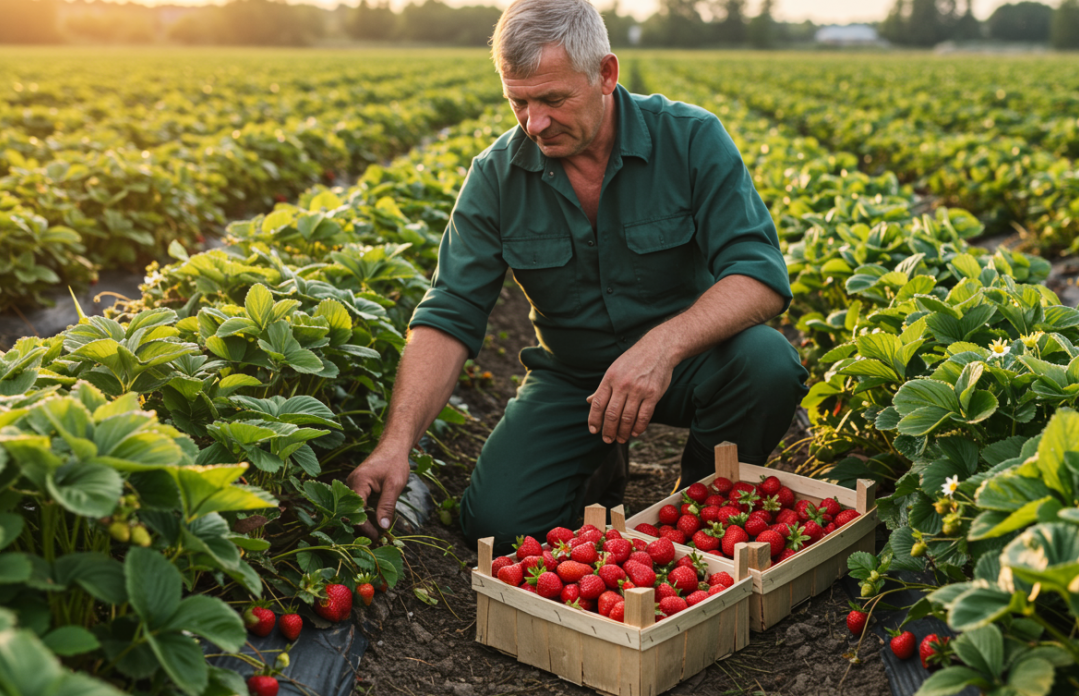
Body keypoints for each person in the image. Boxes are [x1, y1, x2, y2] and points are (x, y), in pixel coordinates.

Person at [345, 0, 808, 551]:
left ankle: (704, 504)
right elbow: (451, 311)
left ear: (606, 75)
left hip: (692, 364)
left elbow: (759, 275)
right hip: (576, 380)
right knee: (495, 524)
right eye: (517, 101)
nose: (534, 123)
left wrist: (662, 347)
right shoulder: (497, 176)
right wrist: (396, 444)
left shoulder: (690, 139)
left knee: (768, 364)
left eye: (553, 99)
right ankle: (599, 466)